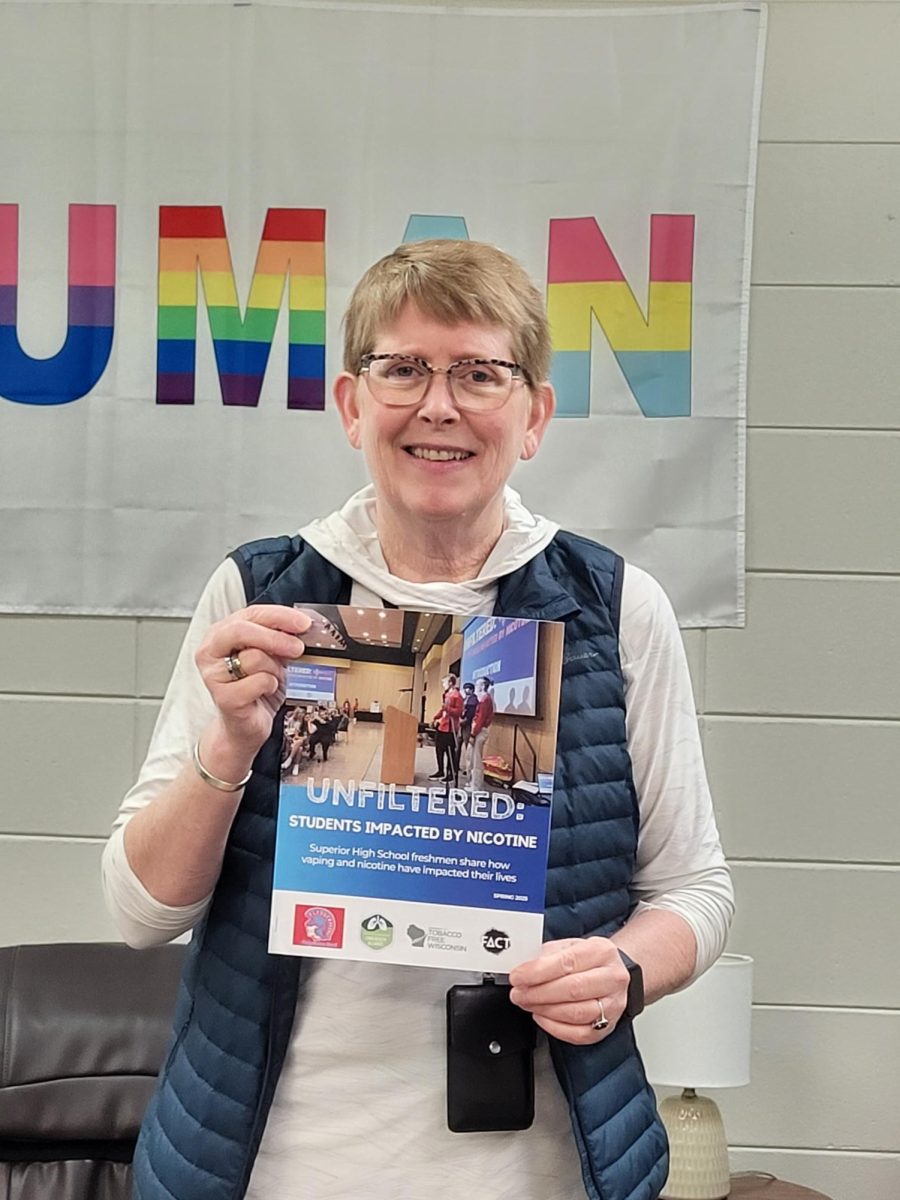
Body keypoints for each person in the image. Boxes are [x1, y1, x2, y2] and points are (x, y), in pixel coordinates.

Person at [101, 239, 733, 1200]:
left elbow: (695, 891)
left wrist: (624, 970)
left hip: (545, 1170)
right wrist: (227, 746)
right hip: (278, 1168)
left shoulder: (615, 607)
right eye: (403, 369)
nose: (439, 405)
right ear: (354, 404)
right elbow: (143, 912)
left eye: (481, 373)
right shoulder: (263, 597)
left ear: (534, 418)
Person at [429, 672, 463, 782]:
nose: (443, 684)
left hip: (450, 728)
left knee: (450, 752)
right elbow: (443, 709)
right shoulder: (447, 694)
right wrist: (435, 717)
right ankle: (440, 770)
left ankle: (450, 773)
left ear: (450, 683)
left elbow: (459, 712)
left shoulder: (457, 696)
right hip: (442, 726)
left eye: (444, 682)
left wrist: (448, 709)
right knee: (439, 749)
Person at [469, 674, 495, 792]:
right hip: (478, 730)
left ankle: (477, 786)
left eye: (478, 684)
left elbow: (481, 719)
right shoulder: (484, 699)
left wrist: (473, 734)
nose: (476, 686)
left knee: (477, 760)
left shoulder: (485, 700)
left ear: (483, 686)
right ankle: (473, 783)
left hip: (479, 731)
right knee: (474, 758)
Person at [458, 680, 478, 772]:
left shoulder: (473, 699)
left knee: (468, 747)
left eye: (469, 688)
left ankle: (468, 768)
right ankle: (455, 765)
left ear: (472, 690)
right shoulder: (464, 698)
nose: (466, 690)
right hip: (461, 724)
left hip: (468, 724)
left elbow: (471, 713)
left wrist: (464, 720)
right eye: (465, 688)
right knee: (457, 745)